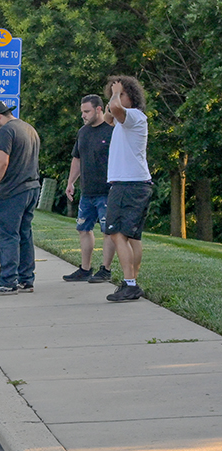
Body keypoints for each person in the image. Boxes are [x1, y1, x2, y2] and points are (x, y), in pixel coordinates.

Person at [0, 101, 41, 295]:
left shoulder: (6, 131)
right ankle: (26, 280)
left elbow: (2, 162)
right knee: (24, 235)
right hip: (31, 188)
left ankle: (7, 281)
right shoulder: (29, 129)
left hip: (12, 191)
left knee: (7, 236)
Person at [102, 76, 152, 302]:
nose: (117, 99)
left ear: (131, 97)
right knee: (132, 237)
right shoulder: (127, 120)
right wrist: (113, 98)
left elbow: (114, 108)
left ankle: (130, 284)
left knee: (116, 232)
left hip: (128, 184)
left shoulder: (133, 116)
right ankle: (131, 282)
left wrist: (116, 95)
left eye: (122, 94)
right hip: (133, 183)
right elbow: (107, 117)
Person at [63, 94, 116, 283]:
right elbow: (77, 158)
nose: (83, 116)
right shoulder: (83, 132)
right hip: (87, 191)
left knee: (107, 230)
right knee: (83, 228)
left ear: (99, 109)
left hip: (107, 191)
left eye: (87, 111)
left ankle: (105, 269)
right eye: (82, 112)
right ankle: (85, 269)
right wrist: (71, 182)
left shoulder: (111, 131)